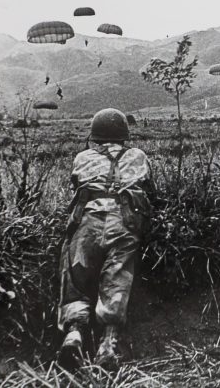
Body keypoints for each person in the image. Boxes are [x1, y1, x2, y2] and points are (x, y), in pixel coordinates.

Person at [57, 108, 155, 369]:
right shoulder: (138, 156)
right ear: (124, 135)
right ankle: (108, 344)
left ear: (95, 135)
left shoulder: (82, 157)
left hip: (87, 221)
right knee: (118, 276)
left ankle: (74, 332)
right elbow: (150, 190)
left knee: (75, 273)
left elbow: (75, 184)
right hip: (124, 223)